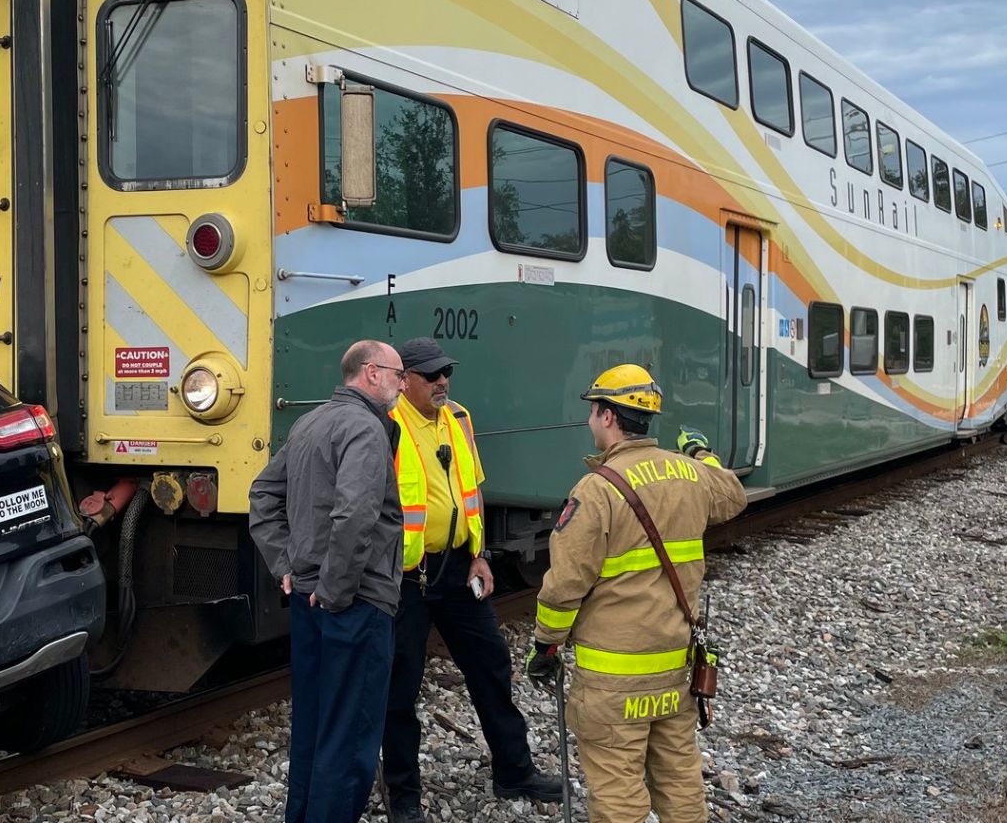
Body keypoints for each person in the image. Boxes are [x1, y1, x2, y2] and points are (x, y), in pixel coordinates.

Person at [524, 365, 749, 823]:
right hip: (674, 671)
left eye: (593, 411)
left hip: (613, 678)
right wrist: (700, 452)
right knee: (680, 780)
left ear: (608, 416)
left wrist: (545, 647)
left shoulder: (597, 490)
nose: (590, 419)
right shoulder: (689, 473)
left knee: (618, 791)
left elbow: (564, 587)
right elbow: (733, 493)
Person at [380, 338, 559, 822]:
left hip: (459, 568)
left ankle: (515, 771)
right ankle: (403, 796)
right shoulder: (387, 423)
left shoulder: (458, 417)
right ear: (404, 379)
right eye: (431, 374)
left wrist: (479, 555)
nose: (442, 381)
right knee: (400, 685)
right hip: (406, 576)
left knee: (491, 665)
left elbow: (471, 492)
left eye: (447, 372)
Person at [248, 340, 407, 823]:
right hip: (353, 601)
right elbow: (355, 514)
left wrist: (286, 566)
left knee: (314, 728)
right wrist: (335, 588)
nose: (403, 385)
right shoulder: (365, 428)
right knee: (350, 735)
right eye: (399, 374)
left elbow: (262, 493)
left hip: (310, 598)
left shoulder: (309, 423)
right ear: (372, 372)